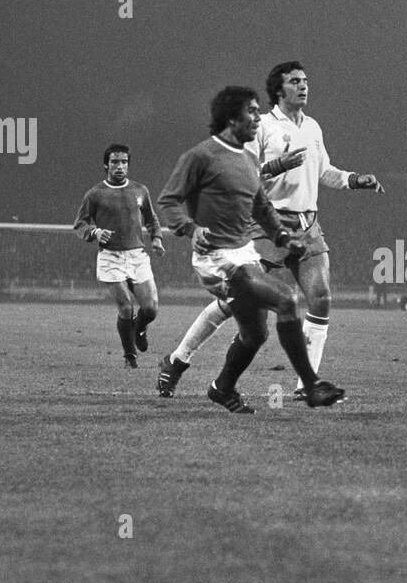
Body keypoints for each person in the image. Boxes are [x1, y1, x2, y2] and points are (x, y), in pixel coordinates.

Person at [153, 61, 383, 400]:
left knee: (321, 298)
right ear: (278, 89)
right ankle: (178, 360)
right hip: (264, 224)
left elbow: (323, 171)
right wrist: (277, 166)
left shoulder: (313, 127)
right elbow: (243, 176)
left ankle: (307, 385)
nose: (304, 86)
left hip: (306, 226)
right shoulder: (260, 127)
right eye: (295, 81)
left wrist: (353, 180)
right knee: (237, 304)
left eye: (306, 80)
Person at [73, 143, 164, 368]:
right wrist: (95, 232)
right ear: (106, 165)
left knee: (150, 309)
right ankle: (129, 357)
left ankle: (139, 328)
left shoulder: (140, 190)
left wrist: (157, 238)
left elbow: (151, 219)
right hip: (110, 256)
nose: (120, 166)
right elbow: (80, 224)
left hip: (137, 255)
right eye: (115, 162)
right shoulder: (95, 194)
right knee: (126, 307)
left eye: (123, 162)